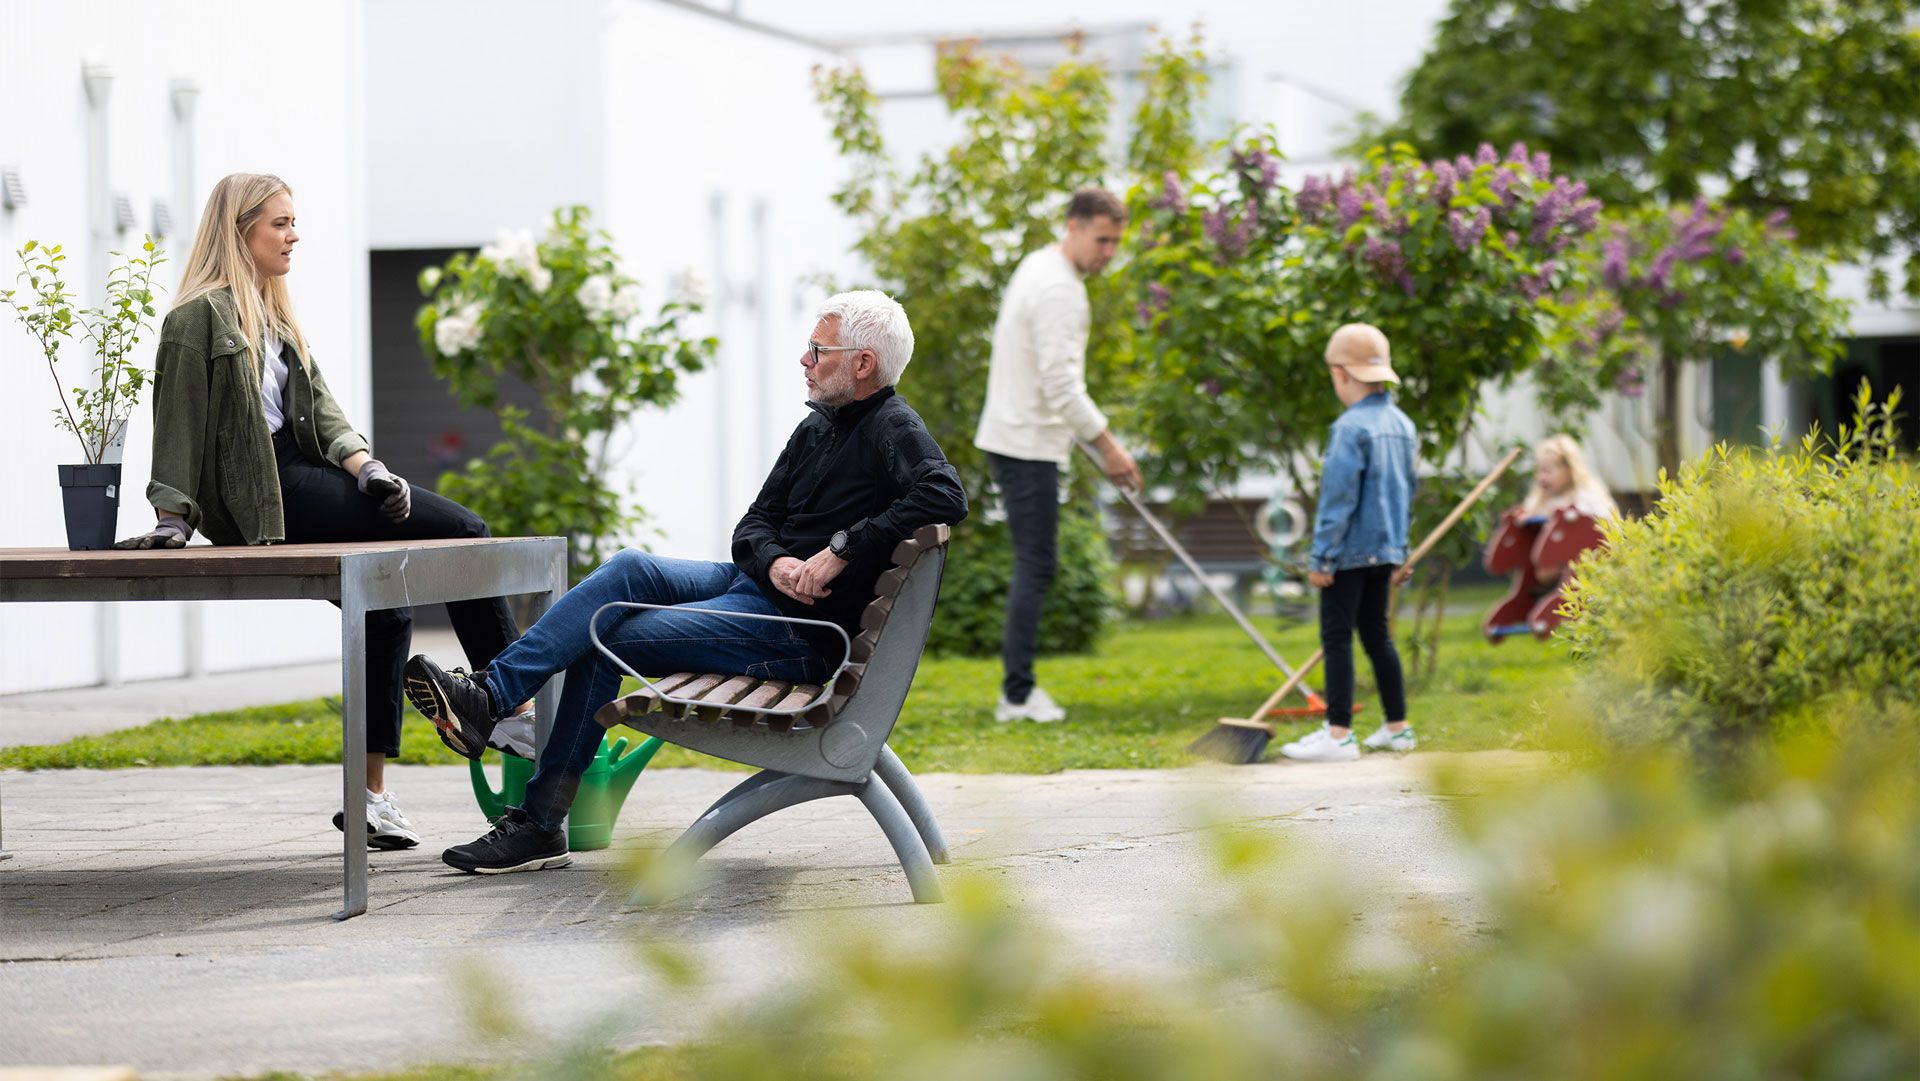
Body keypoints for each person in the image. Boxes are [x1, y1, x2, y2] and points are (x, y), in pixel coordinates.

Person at [403, 290, 968, 874]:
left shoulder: (892, 428)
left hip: (795, 632)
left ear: (863, 363)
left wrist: (840, 550)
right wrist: (775, 561)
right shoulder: (818, 429)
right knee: (630, 567)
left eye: (817, 349)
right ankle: (492, 696)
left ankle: (540, 821)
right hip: (757, 589)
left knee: (602, 635)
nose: (804, 359)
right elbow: (752, 526)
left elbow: (945, 494)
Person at [116, 172, 529, 848]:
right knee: (467, 532)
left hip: (302, 471)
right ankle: (511, 705)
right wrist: (173, 516)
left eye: (292, 222)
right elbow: (179, 423)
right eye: (279, 223)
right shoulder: (197, 317)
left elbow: (327, 411)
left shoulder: (274, 314)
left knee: (388, 609)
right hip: (265, 490)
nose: (293, 234)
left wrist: (368, 470)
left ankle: (370, 799)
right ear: (239, 229)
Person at [974, 187, 1142, 724]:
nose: (1109, 251)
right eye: (1102, 239)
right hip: (1026, 442)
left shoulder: (1040, 266)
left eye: (1116, 241)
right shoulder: (1059, 290)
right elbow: (1060, 384)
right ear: (1073, 227)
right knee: (1036, 563)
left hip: (1022, 437)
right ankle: (1017, 695)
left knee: (1035, 562)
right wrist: (1108, 447)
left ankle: (1017, 691)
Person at [1281, 323, 1418, 762]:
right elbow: (1407, 492)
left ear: (1340, 374)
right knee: (1378, 636)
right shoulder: (1402, 425)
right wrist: (1402, 550)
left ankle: (1338, 734)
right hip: (1386, 550)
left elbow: (1338, 500)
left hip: (1349, 553)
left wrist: (1322, 556)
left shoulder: (1349, 428)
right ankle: (1398, 728)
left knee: (1336, 636)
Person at [1522, 434, 1618, 519]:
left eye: (1547, 471)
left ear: (1568, 470)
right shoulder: (1539, 503)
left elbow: (1608, 528)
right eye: (1538, 470)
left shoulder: (1588, 499)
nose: (1541, 477)